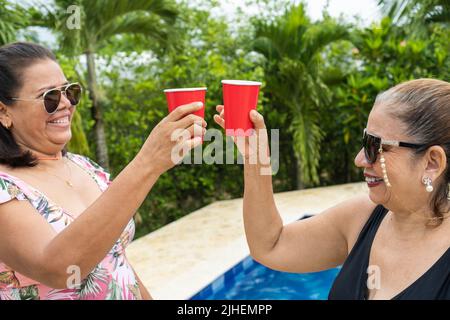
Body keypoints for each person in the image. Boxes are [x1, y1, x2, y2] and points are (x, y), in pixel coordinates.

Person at [0, 42, 206, 300]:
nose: (65, 103)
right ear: (4, 111)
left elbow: (116, 262)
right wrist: (148, 162)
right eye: (49, 97)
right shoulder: (5, 189)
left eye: (70, 91)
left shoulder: (85, 167)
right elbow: (59, 269)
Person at [213, 78, 450, 300]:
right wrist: (255, 158)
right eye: (364, 141)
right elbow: (270, 246)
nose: (360, 160)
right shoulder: (362, 218)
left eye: (374, 147)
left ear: (432, 162)